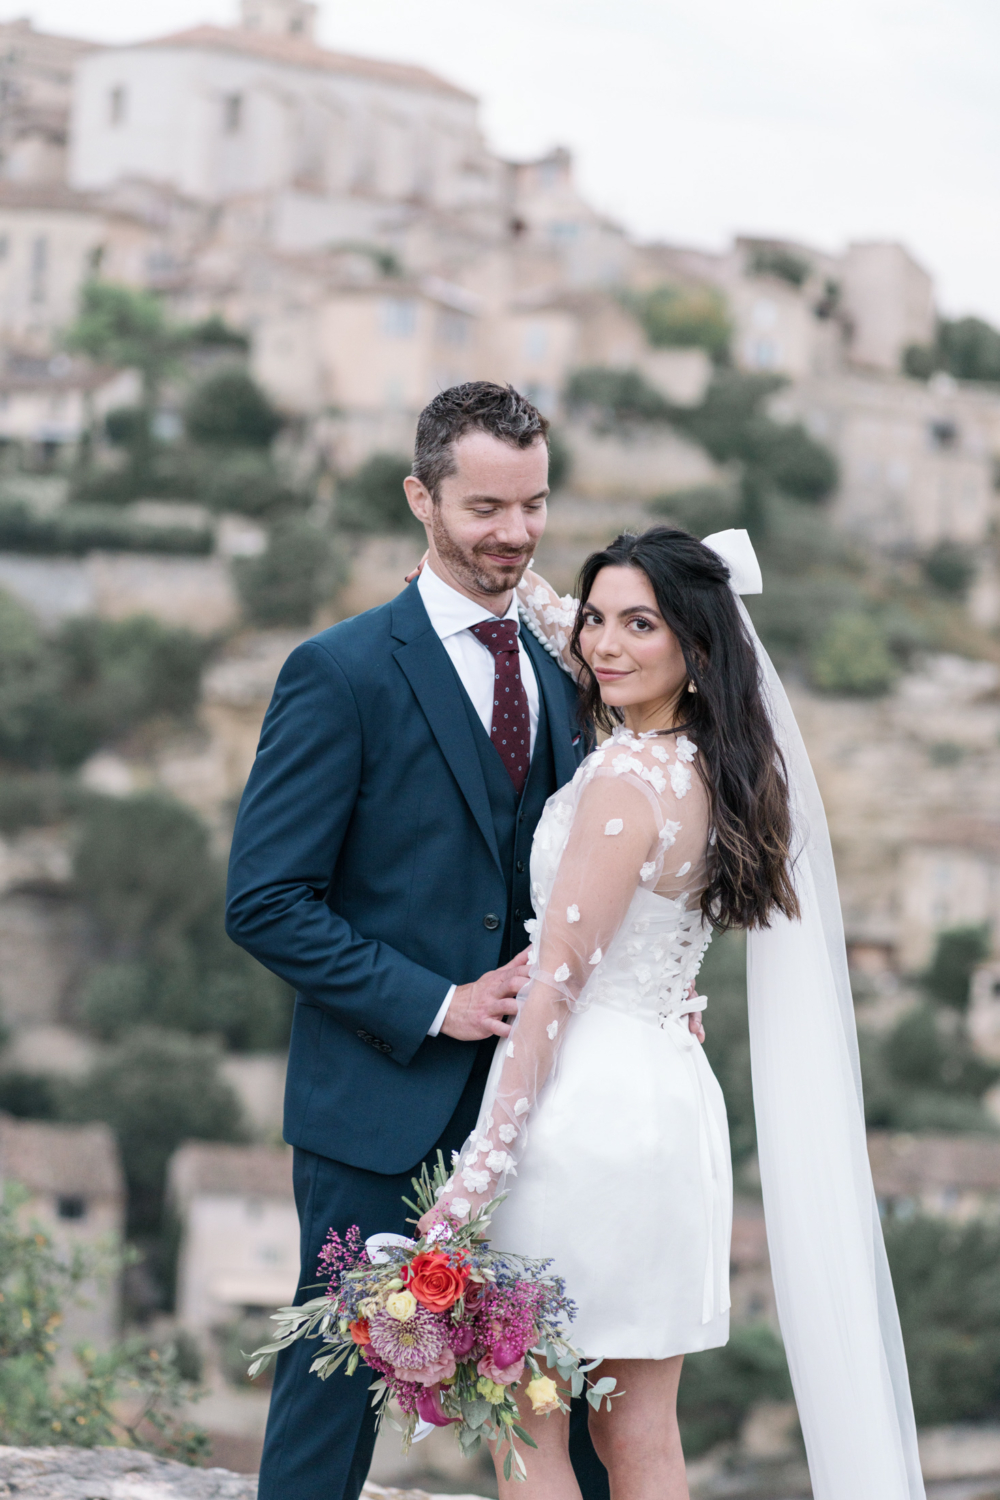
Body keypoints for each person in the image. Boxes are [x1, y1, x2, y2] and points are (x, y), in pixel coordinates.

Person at [422, 525, 926, 1500]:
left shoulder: (624, 782)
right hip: (670, 1109)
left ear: (694, 647)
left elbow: (554, 990)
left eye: (636, 625)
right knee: (642, 1435)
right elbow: (598, 635)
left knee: (524, 1424)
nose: (605, 645)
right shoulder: (718, 768)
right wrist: (515, 572)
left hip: (584, 1117)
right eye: (598, 619)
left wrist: (472, 1182)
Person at [225, 383, 614, 1500]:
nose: (515, 533)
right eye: (486, 506)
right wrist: (438, 1002)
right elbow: (264, 900)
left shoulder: (561, 671)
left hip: (537, 1102)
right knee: (329, 1394)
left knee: (565, 1387)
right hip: (377, 1099)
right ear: (420, 496)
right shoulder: (338, 672)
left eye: (534, 505)